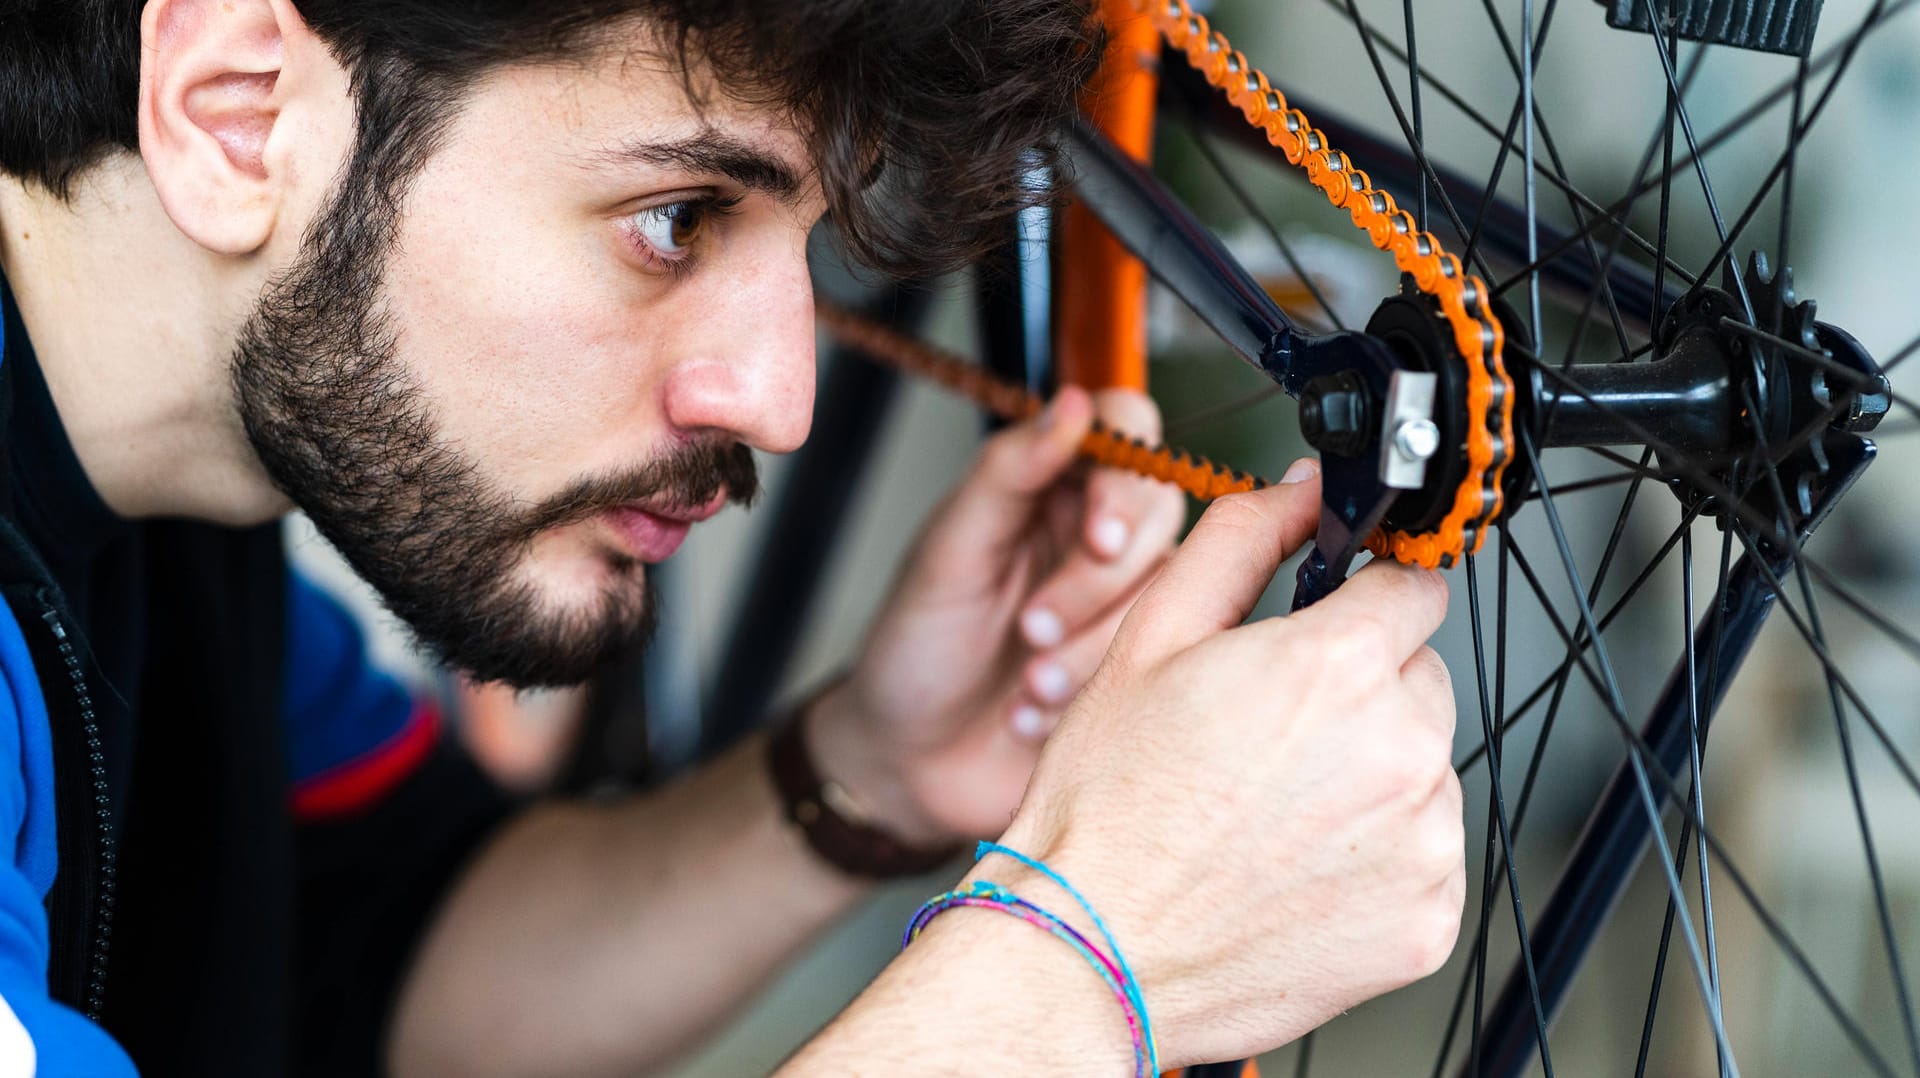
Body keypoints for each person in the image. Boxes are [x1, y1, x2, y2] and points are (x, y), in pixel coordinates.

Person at [0, 0, 1465, 1074]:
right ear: (234, 113)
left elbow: (386, 954)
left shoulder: (179, 483)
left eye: (804, 243)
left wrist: (861, 772)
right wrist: (1091, 960)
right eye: (675, 219)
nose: (778, 400)